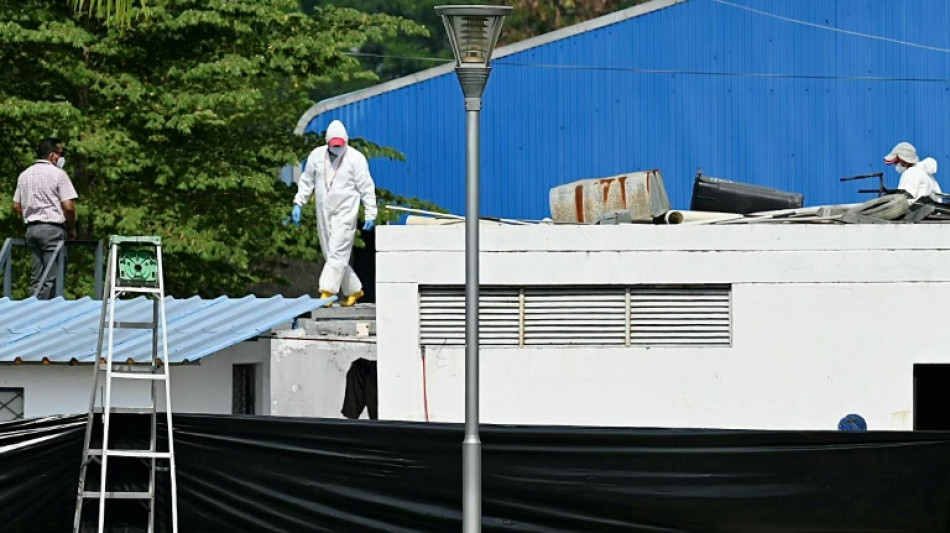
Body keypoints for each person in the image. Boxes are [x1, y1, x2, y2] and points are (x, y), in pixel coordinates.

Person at [291, 120, 377, 307]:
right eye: (334, 145)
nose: (337, 148)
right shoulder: (316, 156)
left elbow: (366, 187)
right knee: (331, 254)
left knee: (338, 251)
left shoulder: (356, 159)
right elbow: (307, 180)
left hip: (346, 211)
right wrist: (299, 202)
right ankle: (354, 289)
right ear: (327, 142)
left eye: (340, 144)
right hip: (323, 209)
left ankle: (327, 291)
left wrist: (371, 212)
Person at [12, 138, 78, 299]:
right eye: (61, 153)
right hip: (52, 230)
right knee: (53, 278)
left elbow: (16, 206)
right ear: (52, 156)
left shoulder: (24, 175)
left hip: (31, 230)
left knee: (37, 278)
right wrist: (72, 228)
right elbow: (68, 207)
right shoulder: (58, 174)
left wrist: (31, 214)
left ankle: (34, 307)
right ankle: (49, 309)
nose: (62, 157)